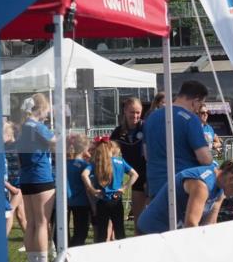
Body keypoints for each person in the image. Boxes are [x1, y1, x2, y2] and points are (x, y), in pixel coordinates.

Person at [142, 80, 213, 199]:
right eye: (200, 105)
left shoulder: (151, 118)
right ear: (195, 101)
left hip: (155, 186)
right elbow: (205, 159)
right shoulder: (191, 119)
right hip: (182, 187)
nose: (198, 110)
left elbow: (146, 155)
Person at [137, 161, 233, 234]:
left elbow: (210, 224)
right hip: (151, 230)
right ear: (231, 179)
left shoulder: (220, 188)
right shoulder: (202, 185)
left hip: (170, 232)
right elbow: (191, 225)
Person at [16, 93, 56, 262]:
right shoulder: (38, 127)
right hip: (41, 177)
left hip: (26, 178)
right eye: (47, 109)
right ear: (40, 108)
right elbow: (56, 142)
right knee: (42, 222)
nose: (47, 113)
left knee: (31, 222)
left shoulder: (22, 127)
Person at [82, 139, 138, 243]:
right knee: (120, 231)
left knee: (101, 234)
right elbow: (135, 175)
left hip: (102, 200)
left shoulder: (97, 163)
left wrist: (92, 189)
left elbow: (84, 174)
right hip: (116, 200)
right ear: (111, 148)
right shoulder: (120, 161)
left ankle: (103, 256)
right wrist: (124, 188)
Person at [110, 97, 148, 225]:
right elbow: (109, 153)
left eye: (138, 112)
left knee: (153, 216)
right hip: (134, 177)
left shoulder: (146, 127)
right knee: (139, 218)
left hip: (150, 175)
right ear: (125, 111)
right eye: (132, 112)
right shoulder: (118, 132)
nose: (135, 115)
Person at [66, 133, 93, 246]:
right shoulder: (84, 165)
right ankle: (74, 250)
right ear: (85, 148)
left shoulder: (64, 164)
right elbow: (88, 186)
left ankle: (65, 251)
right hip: (81, 202)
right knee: (81, 231)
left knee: (63, 230)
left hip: (66, 201)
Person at [2, 119, 24, 238]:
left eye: (2, 134)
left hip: (19, 182)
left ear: (10, 134)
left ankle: (1, 240)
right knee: (20, 216)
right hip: (10, 182)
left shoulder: (18, 145)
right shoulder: (3, 146)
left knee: (10, 210)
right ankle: (32, 242)